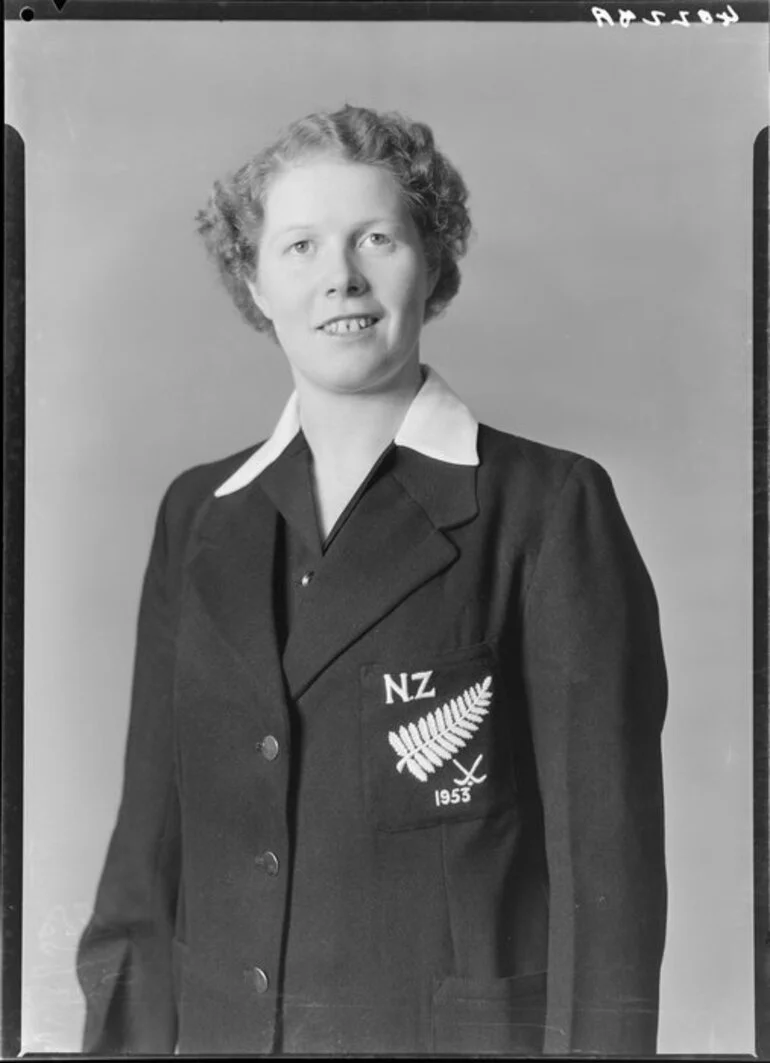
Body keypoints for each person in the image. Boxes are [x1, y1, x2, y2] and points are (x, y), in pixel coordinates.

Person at [76, 104, 668, 1057]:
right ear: (254, 281)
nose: (339, 277)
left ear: (432, 262)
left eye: (376, 239)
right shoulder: (197, 515)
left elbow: (609, 882)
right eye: (300, 246)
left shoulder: (551, 507)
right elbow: (147, 851)